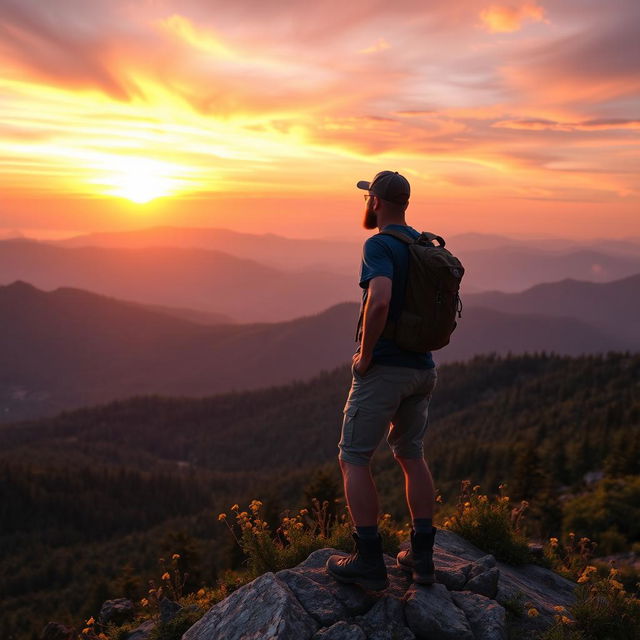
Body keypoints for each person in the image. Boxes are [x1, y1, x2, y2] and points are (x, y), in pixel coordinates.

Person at [326, 170, 439, 591]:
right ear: (405, 203)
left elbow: (380, 301)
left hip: (386, 370)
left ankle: (369, 561)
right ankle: (422, 557)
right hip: (422, 369)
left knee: (353, 457)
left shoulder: (379, 244)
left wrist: (365, 355)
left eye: (369, 197)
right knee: (411, 455)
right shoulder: (423, 244)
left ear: (374, 201)